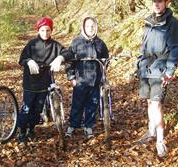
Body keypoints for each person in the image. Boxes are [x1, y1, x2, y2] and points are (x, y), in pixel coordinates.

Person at [136, 0, 178, 157]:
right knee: (149, 102)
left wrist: (170, 71)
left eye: (160, 1)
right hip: (146, 68)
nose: (156, 4)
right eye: (154, 2)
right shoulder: (149, 21)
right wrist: (139, 63)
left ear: (166, 2)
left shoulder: (173, 25)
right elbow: (144, 45)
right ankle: (151, 132)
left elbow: (176, 49)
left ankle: (160, 140)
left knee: (157, 104)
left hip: (160, 68)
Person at [17, 17, 73, 145]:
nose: (45, 33)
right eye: (42, 30)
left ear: (51, 31)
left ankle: (31, 129)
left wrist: (60, 57)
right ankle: (22, 132)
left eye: (48, 30)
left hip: (44, 83)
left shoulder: (55, 45)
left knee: (38, 109)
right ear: (38, 30)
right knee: (27, 108)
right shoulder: (32, 44)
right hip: (30, 82)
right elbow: (22, 59)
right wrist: (29, 61)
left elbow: (69, 53)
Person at [65, 16, 109, 139]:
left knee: (92, 104)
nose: (90, 28)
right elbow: (69, 61)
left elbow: (105, 61)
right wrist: (72, 77)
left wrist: (102, 74)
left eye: (92, 26)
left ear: (96, 27)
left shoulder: (100, 43)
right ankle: (73, 125)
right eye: (88, 26)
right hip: (80, 80)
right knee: (77, 104)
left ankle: (88, 125)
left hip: (95, 81)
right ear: (83, 27)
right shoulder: (76, 42)